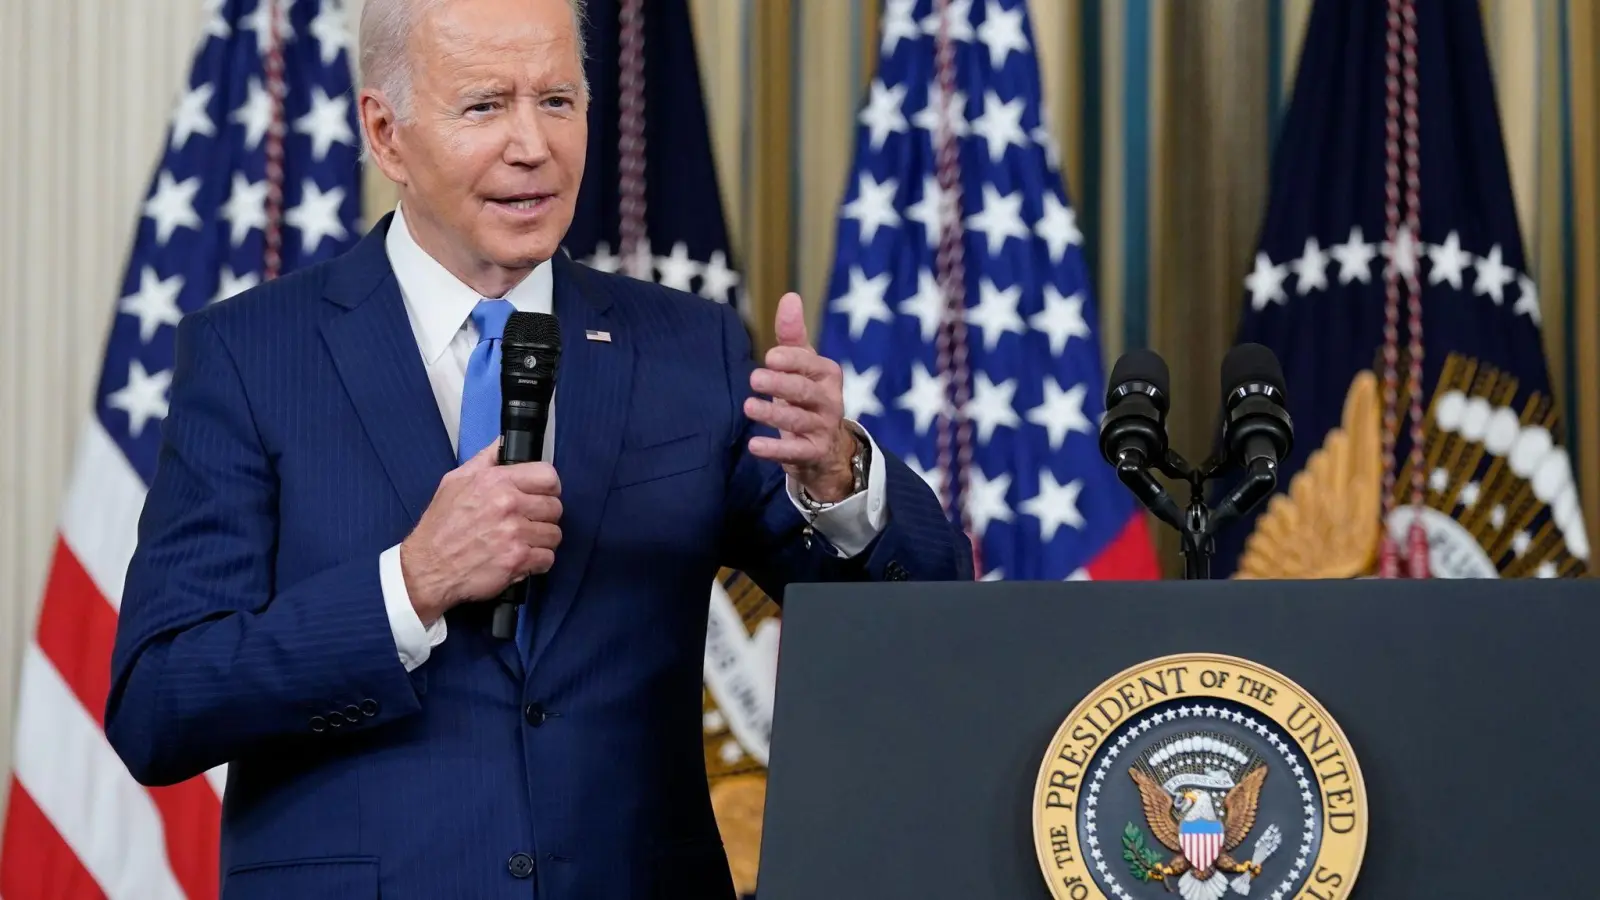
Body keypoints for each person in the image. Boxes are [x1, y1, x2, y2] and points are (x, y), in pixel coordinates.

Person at [104, 0, 972, 896]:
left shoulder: (688, 350)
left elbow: (922, 616)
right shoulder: (252, 356)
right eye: (485, 105)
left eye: (557, 100)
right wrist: (409, 584)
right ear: (385, 133)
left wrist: (841, 477)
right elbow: (160, 704)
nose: (533, 145)